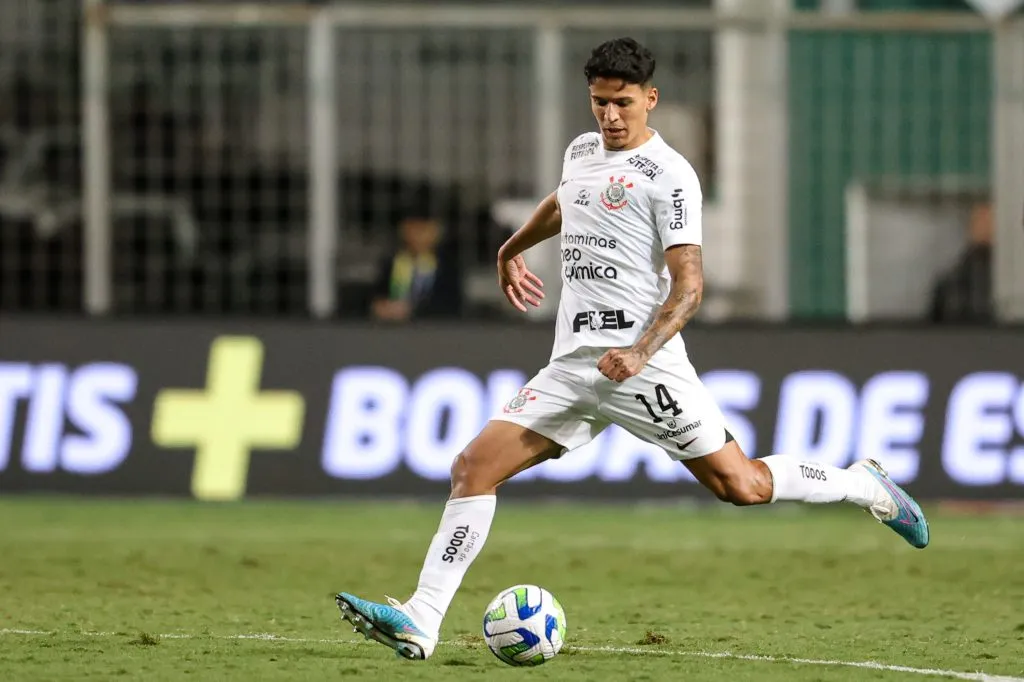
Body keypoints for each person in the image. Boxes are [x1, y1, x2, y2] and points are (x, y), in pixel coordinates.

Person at [335, 37, 929, 661]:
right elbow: (565, 202)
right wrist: (512, 249)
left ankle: (864, 485)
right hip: (571, 365)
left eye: (622, 103)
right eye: (599, 103)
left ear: (651, 99)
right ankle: (422, 618)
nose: (610, 117)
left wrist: (642, 353)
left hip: (643, 369)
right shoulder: (582, 150)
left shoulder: (671, 177)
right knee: (472, 469)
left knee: (742, 486)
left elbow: (689, 286)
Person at [369, 210, 463, 321]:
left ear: (435, 233)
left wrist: (412, 310)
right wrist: (380, 306)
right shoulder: (392, 263)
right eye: (412, 228)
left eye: (423, 230)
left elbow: (451, 305)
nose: (417, 236)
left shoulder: (448, 267)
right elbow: (377, 295)